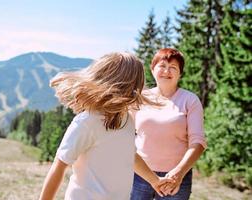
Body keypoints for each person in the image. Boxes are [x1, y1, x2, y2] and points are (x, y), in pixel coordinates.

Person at [38, 52, 174, 200]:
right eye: (135, 86)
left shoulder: (126, 120)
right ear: (122, 86)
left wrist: (155, 180)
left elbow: (131, 156)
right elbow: (59, 166)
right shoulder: (87, 122)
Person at [130, 48, 207, 200]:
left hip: (176, 177)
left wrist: (178, 173)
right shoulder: (139, 98)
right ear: (152, 69)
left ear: (180, 73)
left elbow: (198, 142)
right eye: (162, 66)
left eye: (173, 67)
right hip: (139, 175)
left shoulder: (190, 100)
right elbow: (123, 137)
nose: (167, 71)